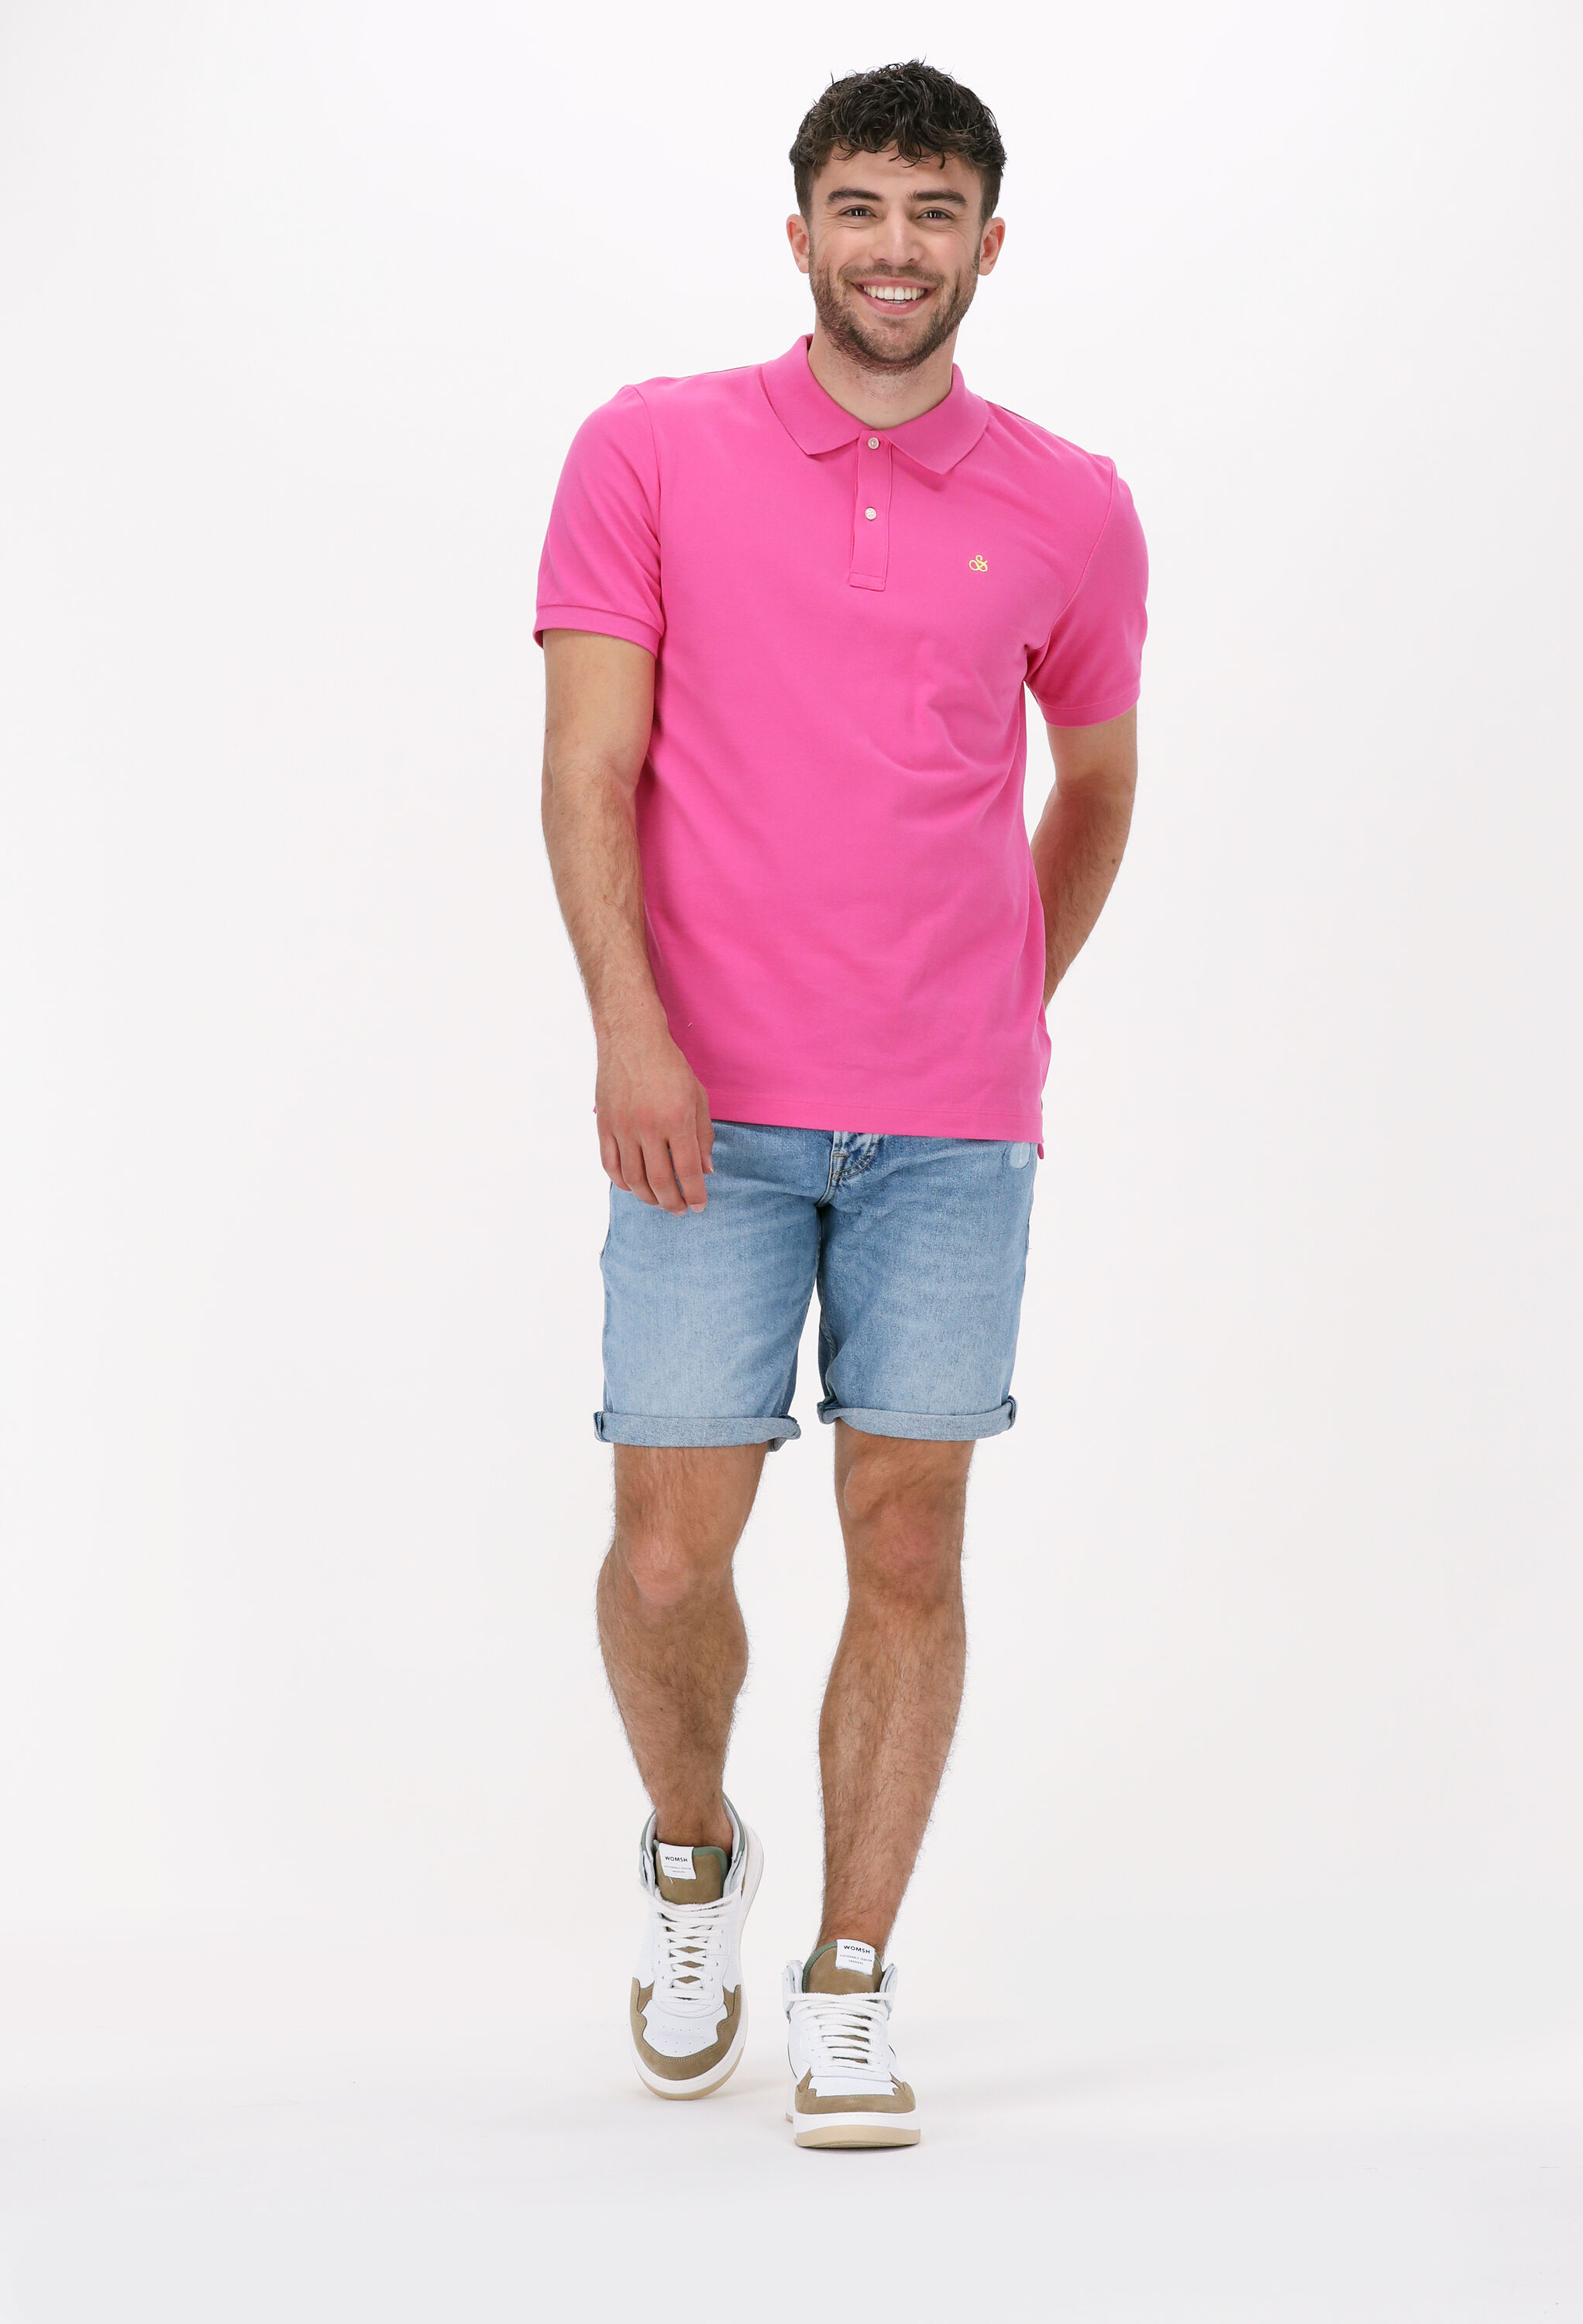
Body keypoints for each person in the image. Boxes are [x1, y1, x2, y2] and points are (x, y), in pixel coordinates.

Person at [536, 58, 1148, 2149]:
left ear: (991, 241)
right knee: (662, 1556)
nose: (897, 248)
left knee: (907, 1534)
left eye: (935, 210)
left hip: (950, 1131)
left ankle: (855, 1978)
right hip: (698, 1110)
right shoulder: (647, 449)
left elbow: (1098, 785)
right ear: (799, 230)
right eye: (863, 206)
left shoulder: (1073, 502)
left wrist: (995, 1008)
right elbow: (587, 769)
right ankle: (692, 1855)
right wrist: (629, 1030)